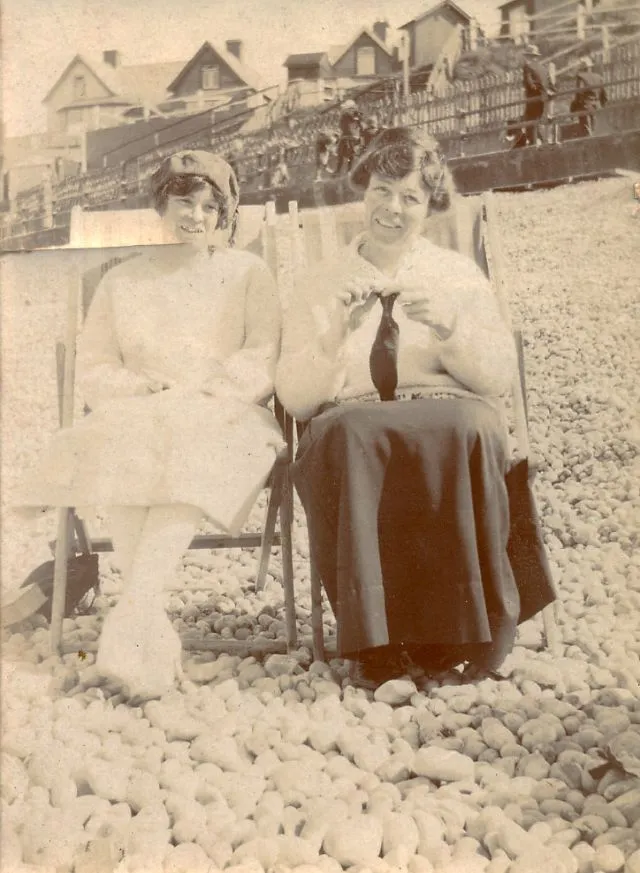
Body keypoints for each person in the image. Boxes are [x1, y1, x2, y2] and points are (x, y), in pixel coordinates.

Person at [276, 127, 554, 688]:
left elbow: (498, 378)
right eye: (382, 190)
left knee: (473, 424)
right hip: (351, 416)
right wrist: (333, 337)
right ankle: (375, 642)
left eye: (410, 198)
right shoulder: (319, 279)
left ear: (430, 207)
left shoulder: (456, 274)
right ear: (364, 191)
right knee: (355, 434)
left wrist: (450, 328)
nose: (392, 209)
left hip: (447, 407)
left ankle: (460, 634)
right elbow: (296, 397)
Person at [17, 150, 284, 700]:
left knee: (186, 441)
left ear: (226, 216)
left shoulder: (247, 274)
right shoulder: (123, 281)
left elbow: (262, 353)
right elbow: (95, 366)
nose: (196, 216)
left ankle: (129, 629)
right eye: (185, 201)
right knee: (121, 439)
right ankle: (144, 640)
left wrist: (211, 392)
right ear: (161, 203)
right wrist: (138, 388)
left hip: (223, 412)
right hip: (139, 410)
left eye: (212, 207)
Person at [522, 44, 553, 146]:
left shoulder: (527, 67)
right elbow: (551, 86)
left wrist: (535, 90)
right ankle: (544, 141)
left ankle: (534, 145)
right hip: (544, 99)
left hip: (533, 99)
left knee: (530, 124)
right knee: (541, 122)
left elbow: (530, 83)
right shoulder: (544, 68)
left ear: (528, 56)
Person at [571, 56, 607, 138]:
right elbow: (604, 95)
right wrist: (602, 105)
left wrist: (573, 108)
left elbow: (579, 93)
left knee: (586, 130)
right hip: (597, 105)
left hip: (585, 105)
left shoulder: (580, 77)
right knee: (596, 129)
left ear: (581, 68)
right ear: (590, 67)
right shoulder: (598, 77)